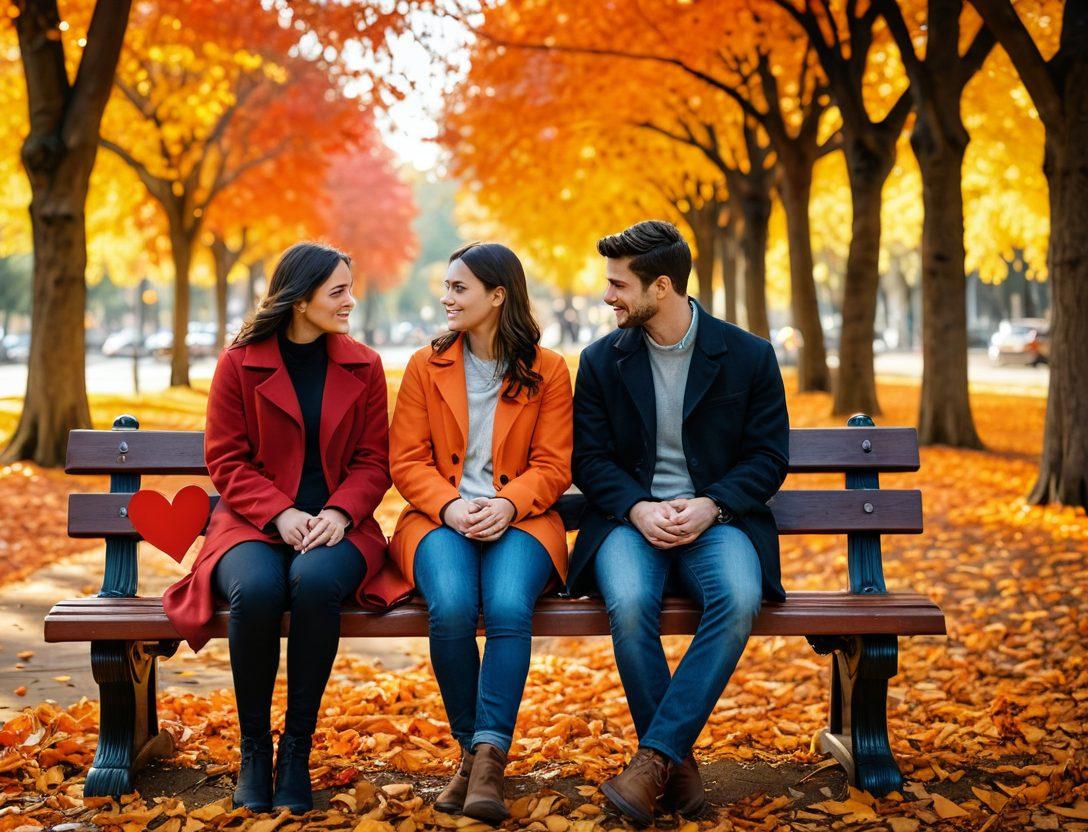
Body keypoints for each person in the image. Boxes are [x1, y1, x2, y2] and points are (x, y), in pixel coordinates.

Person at [162, 242, 398, 814]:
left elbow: (374, 461)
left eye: (349, 288)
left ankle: (295, 750)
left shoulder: (363, 366)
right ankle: (253, 749)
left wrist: (339, 514)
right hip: (253, 522)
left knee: (315, 584)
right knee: (259, 589)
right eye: (338, 291)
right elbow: (226, 459)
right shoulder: (239, 363)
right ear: (300, 299)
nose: (350, 301)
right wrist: (282, 513)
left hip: (341, 526)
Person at [568, 221, 789, 824]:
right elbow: (588, 459)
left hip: (717, 520)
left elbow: (768, 457)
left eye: (618, 284)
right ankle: (675, 764)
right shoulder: (601, 361)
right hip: (626, 522)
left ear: (660, 286)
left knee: (740, 597)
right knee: (631, 600)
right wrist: (638, 506)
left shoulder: (748, 356)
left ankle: (653, 761)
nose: (608, 296)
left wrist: (711, 504)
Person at [387, 242, 573, 823]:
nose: (446, 297)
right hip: (439, 519)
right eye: (445, 286)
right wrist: (449, 508)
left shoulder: (549, 370)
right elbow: (407, 459)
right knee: (450, 606)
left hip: (523, 519)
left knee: (510, 605)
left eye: (458, 288)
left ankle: (486, 759)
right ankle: (475, 748)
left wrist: (507, 504)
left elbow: (553, 464)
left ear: (498, 296)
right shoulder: (426, 364)